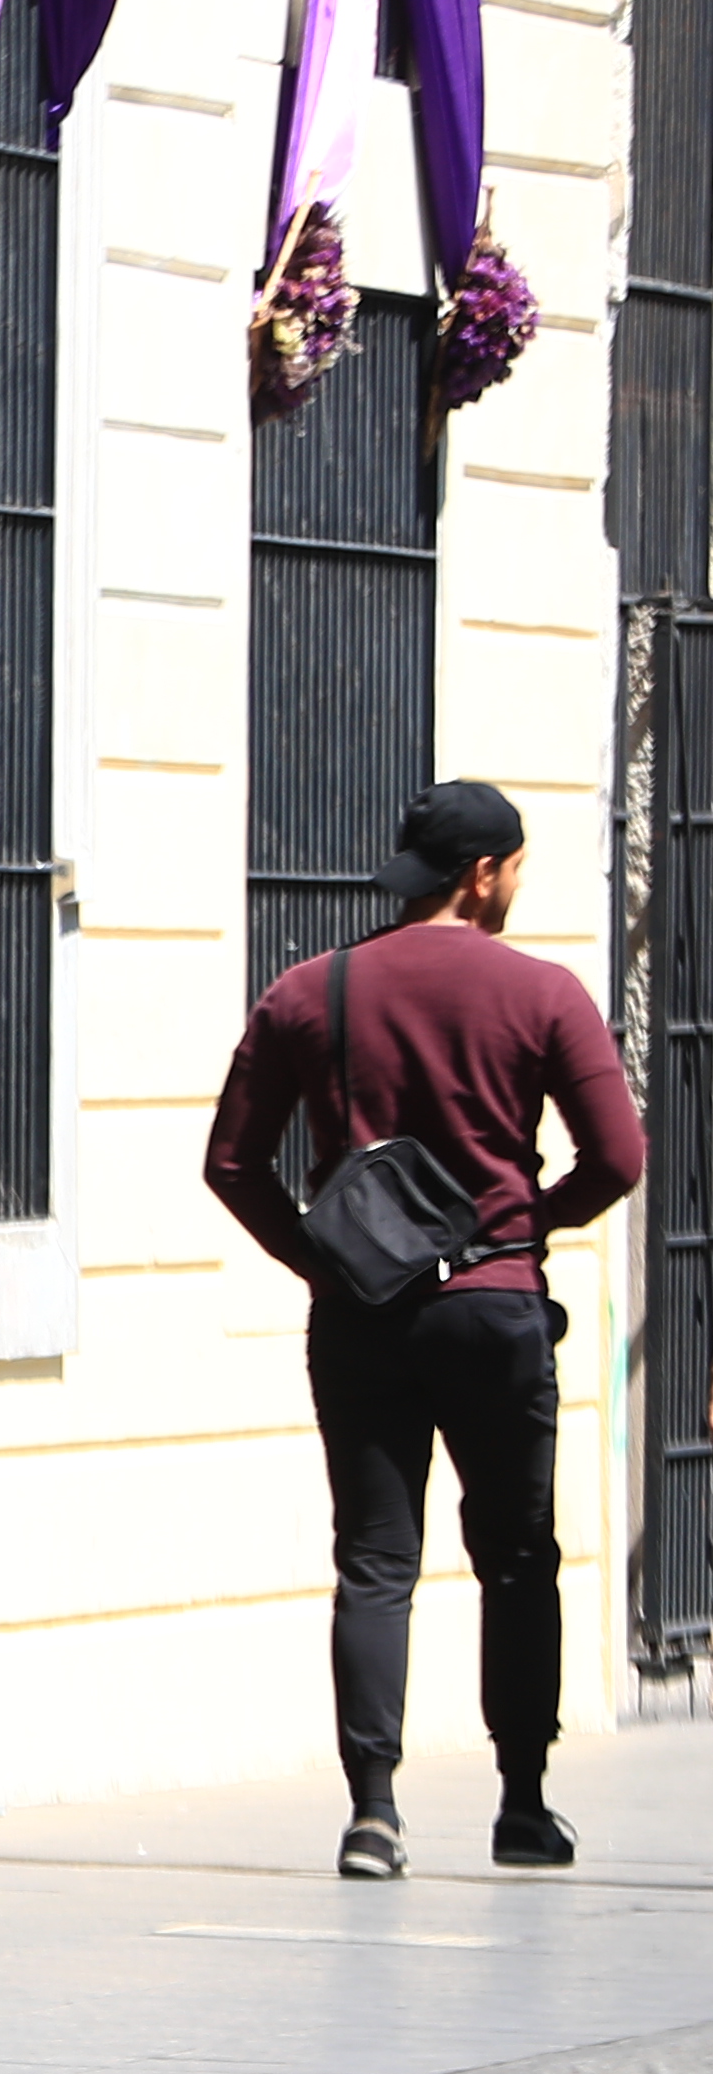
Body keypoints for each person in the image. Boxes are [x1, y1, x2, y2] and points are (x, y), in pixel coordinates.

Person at [199, 781, 639, 1880]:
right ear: (483, 876)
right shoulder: (543, 994)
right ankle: (523, 1805)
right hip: (493, 1312)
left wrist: (323, 1258)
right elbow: (620, 1158)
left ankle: (374, 1814)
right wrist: (527, 1227)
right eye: (517, 870)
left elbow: (231, 1165)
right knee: (517, 1556)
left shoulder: (308, 992)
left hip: (365, 1318)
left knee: (375, 1561)